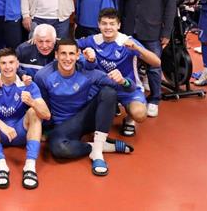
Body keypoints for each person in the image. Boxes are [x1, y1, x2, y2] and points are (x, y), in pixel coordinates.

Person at [35, 39, 135, 177]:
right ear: (56, 55)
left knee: (108, 92)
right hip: (63, 125)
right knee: (59, 149)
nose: (67, 58)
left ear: (78, 55)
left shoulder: (88, 72)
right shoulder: (43, 76)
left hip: (86, 118)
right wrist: (47, 131)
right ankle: (97, 146)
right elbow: (43, 105)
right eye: (63, 53)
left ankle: (97, 153)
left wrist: (123, 80)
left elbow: (129, 89)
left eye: (71, 53)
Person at [0, 48, 51, 190]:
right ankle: (1, 166)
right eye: (3, 63)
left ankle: (30, 167)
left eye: (11, 62)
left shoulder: (28, 84)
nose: (8, 67)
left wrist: (32, 103)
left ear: (17, 64)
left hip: (20, 132)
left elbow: (46, 115)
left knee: (34, 112)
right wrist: (2, 125)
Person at [78, 8, 163, 136]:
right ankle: (110, 107)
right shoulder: (93, 40)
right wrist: (81, 55)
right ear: (98, 24)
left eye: (112, 24)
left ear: (118, 25)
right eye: (104, 23)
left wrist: (138, 49)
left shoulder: (127, 42)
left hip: (127, 87)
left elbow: (157, 62)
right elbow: (72, 45)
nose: (108, 27)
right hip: (102, 87)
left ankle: (129, 119)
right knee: (80, 107)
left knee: (140, 114)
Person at [119, 0, 177, 116]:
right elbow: (122, 3)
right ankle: (127, 96)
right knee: (127, 64)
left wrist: (166, 32)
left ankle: (155, 99)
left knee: (154, 66)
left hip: (152, 29)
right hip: (130, 29)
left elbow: (170, 5)